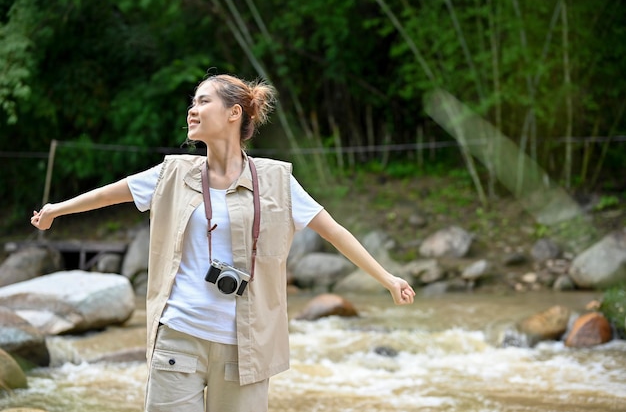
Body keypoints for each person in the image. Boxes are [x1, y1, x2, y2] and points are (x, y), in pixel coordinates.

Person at [30, 73, 416, 412]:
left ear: (234, 114)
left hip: (244, 347)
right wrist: (56, 209)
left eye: (203, 101)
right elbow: (112, 193)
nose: (192, 110)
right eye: (192, 103)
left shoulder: (277, 181)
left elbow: (334, 232)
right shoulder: (174, 172)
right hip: (178, 336)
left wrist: (387, 279)